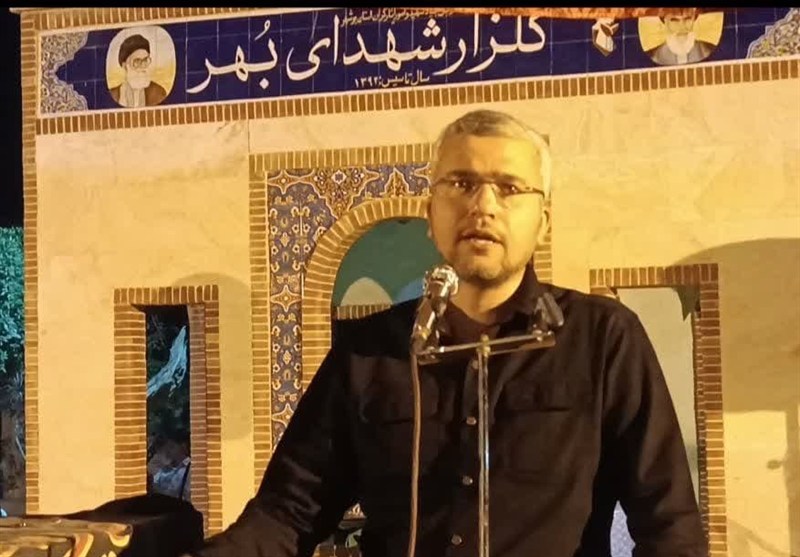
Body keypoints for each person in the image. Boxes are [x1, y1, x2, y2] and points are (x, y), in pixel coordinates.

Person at [188, 110, 706, 556]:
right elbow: (287, 514)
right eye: (460, 183)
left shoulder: (603, 339)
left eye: (509, 188)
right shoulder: (369, 352)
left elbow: (670, 527)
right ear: (430, 214)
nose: (483, 205)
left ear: (543, 221)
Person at [109, 34, 168, 108]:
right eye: (137, 62)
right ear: (125, 66)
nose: (143, 66)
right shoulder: (114, 95)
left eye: (145, 60)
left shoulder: (158, 92)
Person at [646, 14, 716, 66]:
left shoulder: (707, 50)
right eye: (674, 20)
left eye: (687, 19)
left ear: (694, 19)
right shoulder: (654, 55)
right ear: (665, 21)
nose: (682, 27)